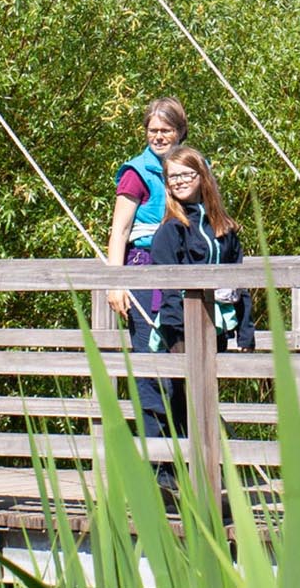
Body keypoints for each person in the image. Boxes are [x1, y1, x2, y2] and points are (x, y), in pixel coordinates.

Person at [142, 145, 255, 450]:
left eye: (184, 174)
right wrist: (178, 336)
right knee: (184, 398)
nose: (177, 181)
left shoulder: (223, 228)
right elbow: (167, 288)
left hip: (214, 325)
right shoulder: (171, 230)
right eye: (171, 177)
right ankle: (174, 478)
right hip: (180, 327)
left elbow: (239, 280)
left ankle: (209, 479)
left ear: (201, 176)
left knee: (206, 397)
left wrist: (245, 331)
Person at [107, 97, 188, 438]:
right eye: (152, 130)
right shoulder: (136, 174)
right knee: (151, 367)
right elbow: (120, 231)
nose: (158, 137)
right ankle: (158, 471)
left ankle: (191, 463)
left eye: (165, 130)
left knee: (186, 366)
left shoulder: (192, 168)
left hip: (185, 275)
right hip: (145, 274)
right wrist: (115, 282)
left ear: (179, 132)